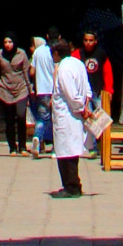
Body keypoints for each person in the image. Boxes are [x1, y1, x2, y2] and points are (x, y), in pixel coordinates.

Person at [51, 36, 91, 196]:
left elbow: (72, 95)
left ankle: (72, 185)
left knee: (66, 152)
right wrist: (86, 105)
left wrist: (81, 108)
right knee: (70, 150)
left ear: (56, 53)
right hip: (73, 116)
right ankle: (70, 183)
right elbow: (87, 88)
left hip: (67, 115)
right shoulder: (78, 63)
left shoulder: (64, 69)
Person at [0, 33, 31, 154]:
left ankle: (23, 146)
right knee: (9, 120)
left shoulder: (22, 53)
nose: (8, 45)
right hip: (5, 89)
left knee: (21, 116)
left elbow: (26, 72)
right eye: (5, 42)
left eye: (10, 42)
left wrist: (31, 90)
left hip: (21, 89)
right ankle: (12, 147)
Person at [29, 31, 55, 157]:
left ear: (47, 36)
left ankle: (37, 138)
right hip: (54, 90)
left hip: (41, 90)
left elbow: (32, 72)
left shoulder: (38, 51)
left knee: (41, 118)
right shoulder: (57, 52)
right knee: (57, 119)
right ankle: (56, 148)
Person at [80, 29, 114, 110]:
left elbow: (107, 72)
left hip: (98, 91)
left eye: (91, 40)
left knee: (101, 117)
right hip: (84, 92)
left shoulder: (101, 54)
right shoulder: (78, 54)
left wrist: (109, 89)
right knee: (88, 118)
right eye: (86, 40)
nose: (88, 42)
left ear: (95, 41)